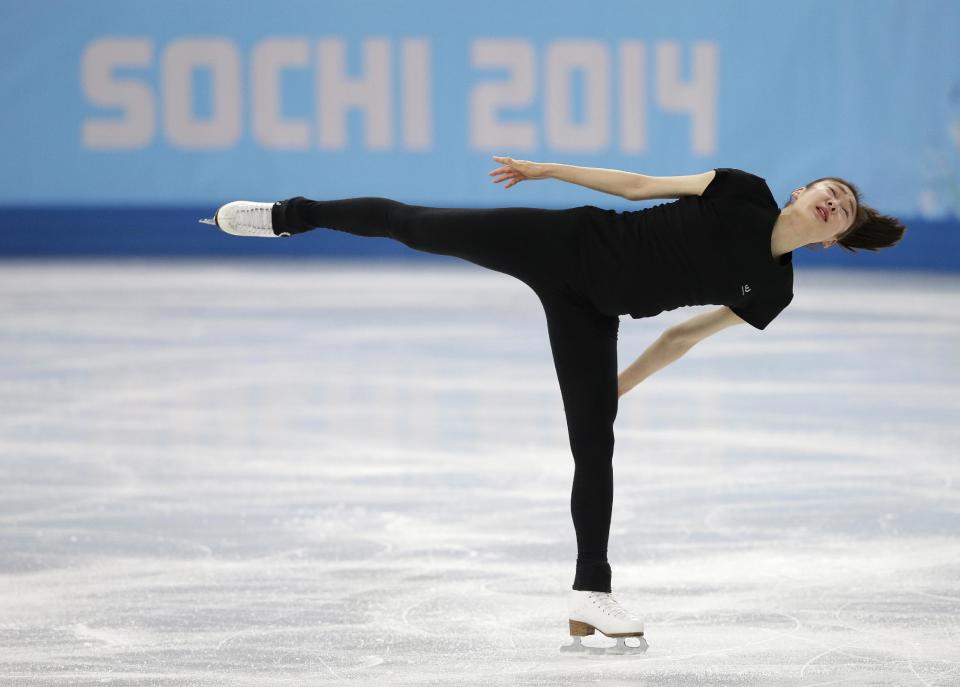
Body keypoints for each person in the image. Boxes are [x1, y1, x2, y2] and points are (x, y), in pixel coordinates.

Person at [201, 158, 906, 654]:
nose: (833, 202)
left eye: (843, 208)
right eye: (830, 189)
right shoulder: (742, 191)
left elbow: (686, 333)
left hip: (594, 310)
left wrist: (620, 386)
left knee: (595, 446)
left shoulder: (774, 291)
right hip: (564, 241)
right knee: (417, 223)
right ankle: (288, 216)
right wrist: (546, 171)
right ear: (799, 191)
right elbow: (635, 186)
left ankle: (589, 592)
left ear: (835, 237)